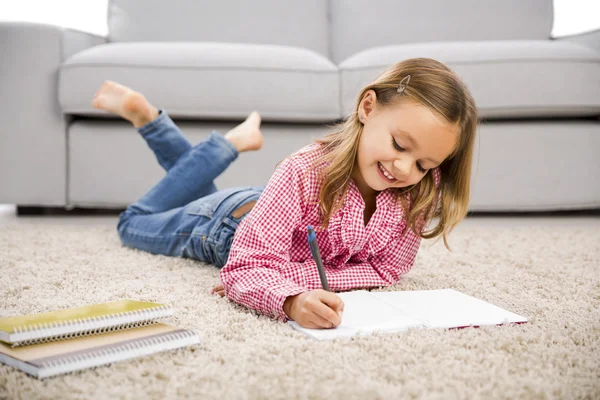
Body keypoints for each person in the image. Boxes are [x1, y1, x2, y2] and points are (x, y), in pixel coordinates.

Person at [92, 57, 478, 330]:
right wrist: (291, 298)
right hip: (223, 225)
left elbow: (388, 269)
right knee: (133, 223)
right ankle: (216, 142)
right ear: (367, 107)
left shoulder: (420, 191)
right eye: (398, 144)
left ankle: (194, 135)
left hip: (264, 212)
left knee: (195, 193)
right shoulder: (303, 169)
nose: (406, 169)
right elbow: (244, 267)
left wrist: (291, 275)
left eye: (425, 164)